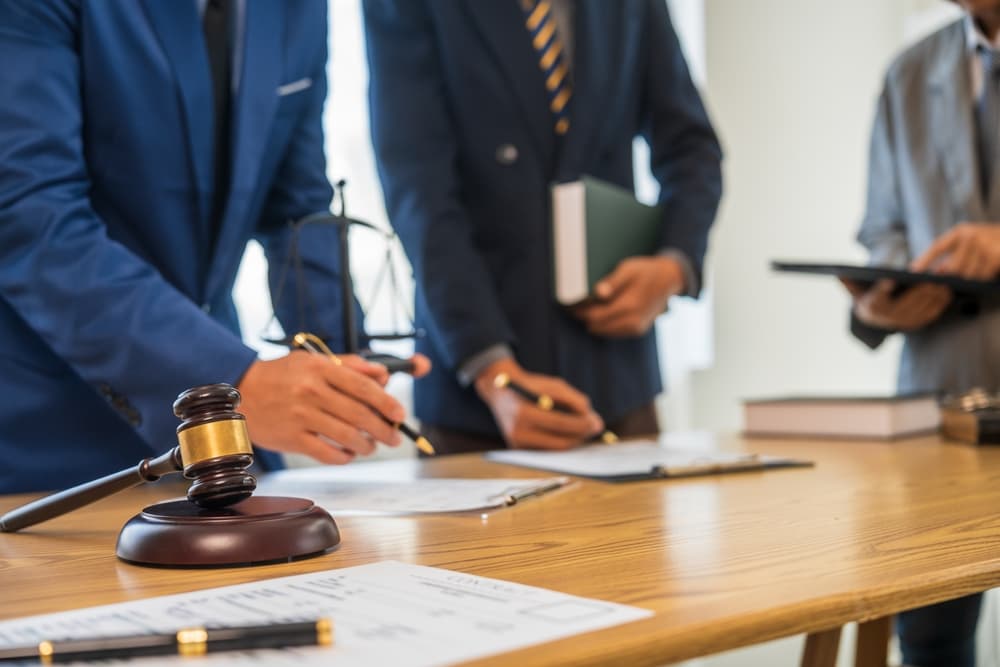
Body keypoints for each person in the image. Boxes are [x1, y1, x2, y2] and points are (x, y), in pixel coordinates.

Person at [0, 0, 426, 495]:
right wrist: (233, 379)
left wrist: (344, 363)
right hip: (45, 436)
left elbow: (298, 204)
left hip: (228, 448)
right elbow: (31, 217)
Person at [362, 0, 722, 453]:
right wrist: (492, 370)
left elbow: (691, 149)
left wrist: (673, 265)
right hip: (477, 395)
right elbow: (421, 194)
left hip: (618, 383)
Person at [841, 2, 1000, 664]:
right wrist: (882, 301)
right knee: (931, 638)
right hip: (942, 394)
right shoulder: (908, 74)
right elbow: (884, 231)